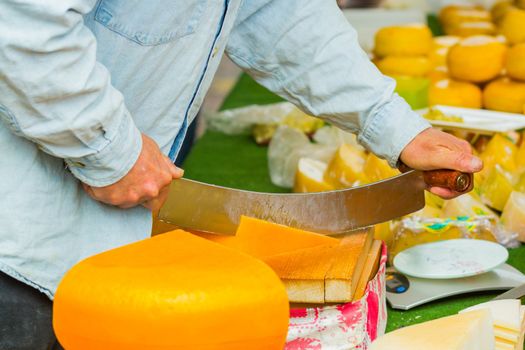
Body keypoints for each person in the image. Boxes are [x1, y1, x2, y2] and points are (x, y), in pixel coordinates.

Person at [0, 1, 482, 349]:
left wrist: (390, 124)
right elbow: (23, 26)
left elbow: (275, 11)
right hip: (18, 246)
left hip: (105, 247)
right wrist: (110, 151)